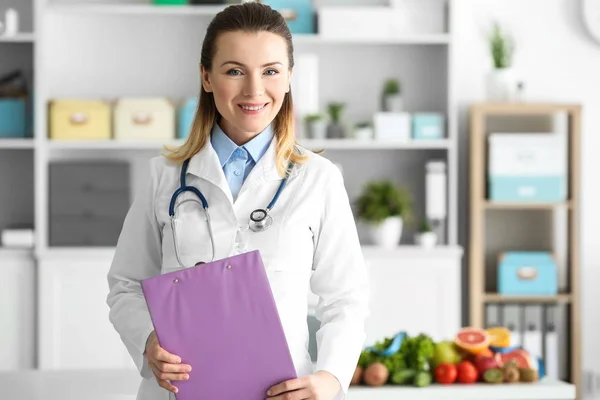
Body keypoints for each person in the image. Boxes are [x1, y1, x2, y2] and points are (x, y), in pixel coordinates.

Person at [106, 3, 369, 400]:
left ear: (289, 78)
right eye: (234, 71)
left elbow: (345, 297)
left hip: (280, 392)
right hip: (179, 390)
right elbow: (126, 284)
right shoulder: (165, 177)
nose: (254, 90)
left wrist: (330, 378)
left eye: (270, 71)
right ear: (207, 78)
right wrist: (147, 341)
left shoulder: (318, 179)